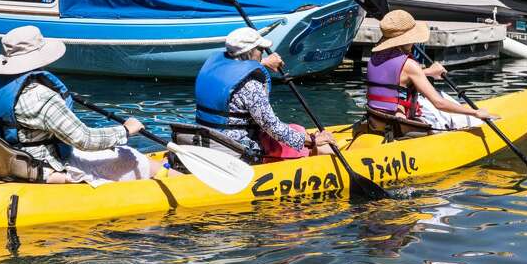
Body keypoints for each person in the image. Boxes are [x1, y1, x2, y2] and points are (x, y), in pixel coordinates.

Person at [0, 25, 163, 184]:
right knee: (132, 156)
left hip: (6, 165)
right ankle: (174, 179)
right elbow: (84, 139)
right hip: (43, 168)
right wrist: (125, 131)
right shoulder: (40, 97)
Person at [194, 27, 336, 162]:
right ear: (250, 51)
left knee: (294, 129)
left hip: (206, 139)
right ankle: (314, 155)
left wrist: (263, 63)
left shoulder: (214, 70)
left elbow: (240, 65)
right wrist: (312, 140)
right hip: (236, 148)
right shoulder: (250, 85)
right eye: (260, 49)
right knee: (296, 137)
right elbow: (271, 127)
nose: (262, 52)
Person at [366, 10, 497, 130]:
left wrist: (428, 72)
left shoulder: (375, 58)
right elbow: (439, 104)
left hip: (376, 120)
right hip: (400, 126)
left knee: (425, 101)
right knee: (445, 105)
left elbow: (394, 80)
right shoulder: (410, 65)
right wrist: (475, 112)